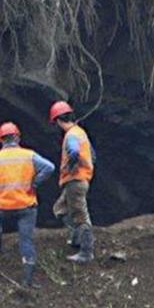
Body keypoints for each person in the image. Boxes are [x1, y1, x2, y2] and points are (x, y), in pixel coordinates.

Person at [0, 122, 55, 288]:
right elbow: (49, 167)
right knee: (26, 240)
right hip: (26, 206)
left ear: (1, 140)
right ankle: (27, 280)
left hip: (3, 207)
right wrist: (35, 183)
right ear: (17, 137)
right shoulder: (28, 155)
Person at [48, 100, 95, 263]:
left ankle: (86, 252)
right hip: (79, 180)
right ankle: (76, 239)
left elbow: (74, 151)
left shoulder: (71, 135)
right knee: (60, 208)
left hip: (75, 181)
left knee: (80, 215)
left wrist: (72, 167)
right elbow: (93, 156)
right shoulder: (81, 132)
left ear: (58, 121)